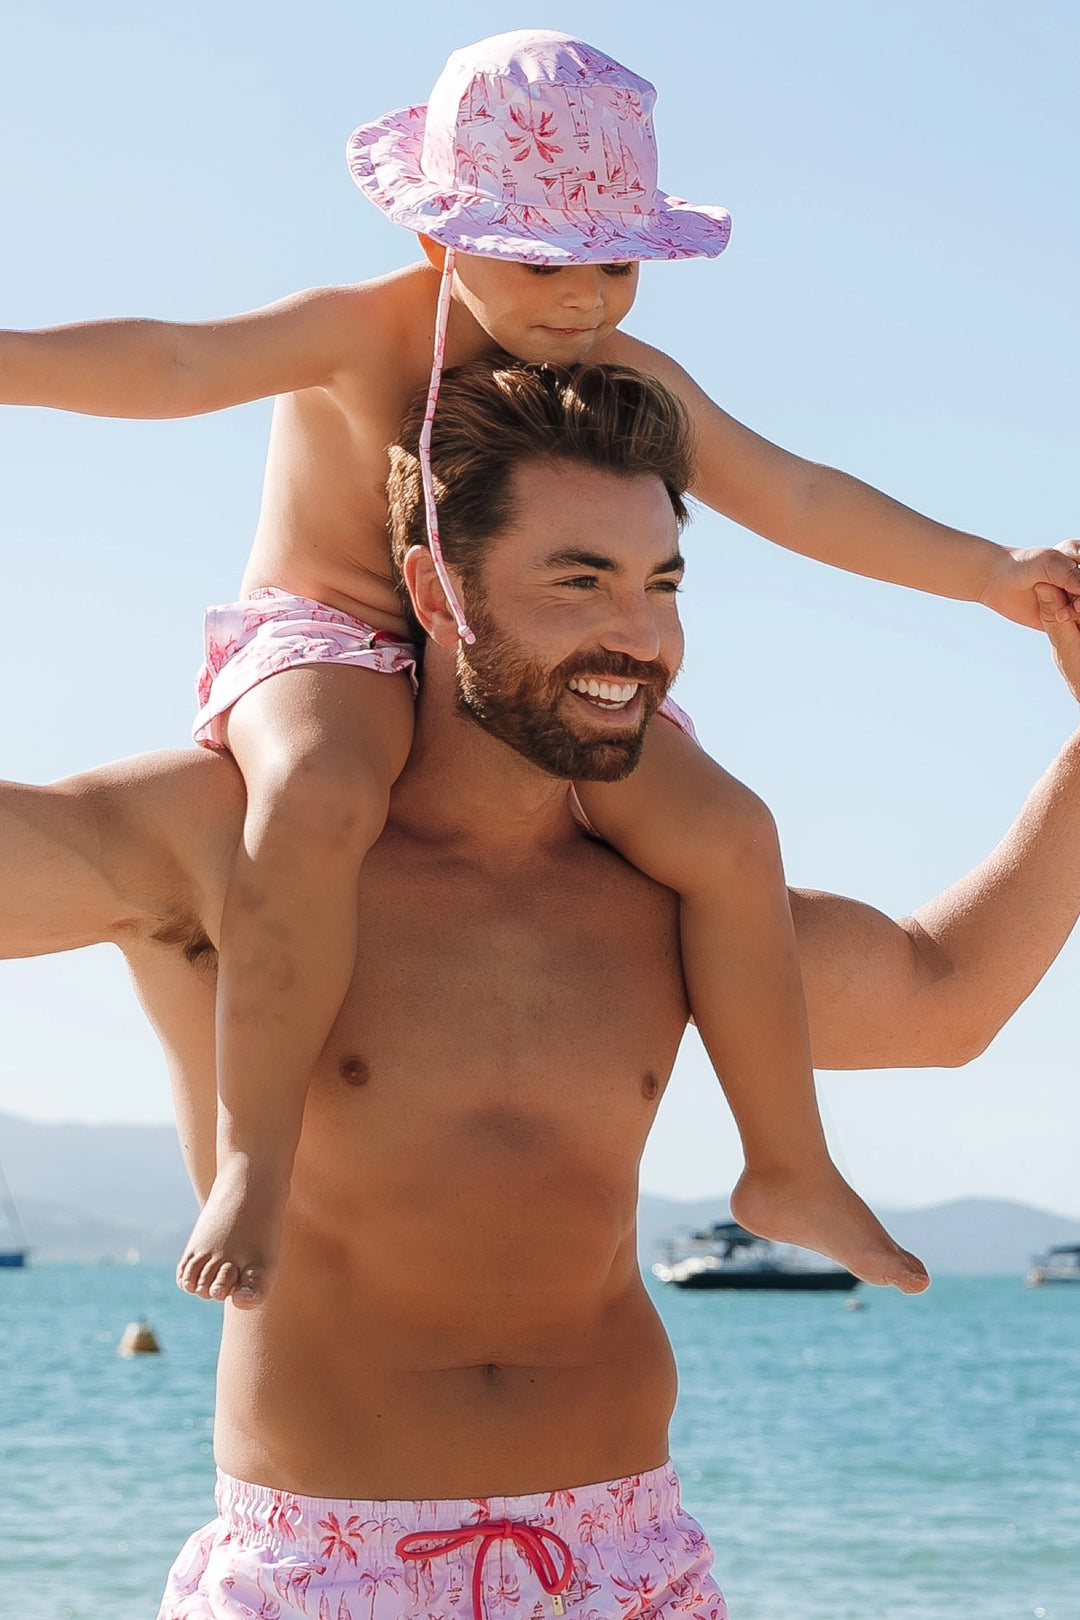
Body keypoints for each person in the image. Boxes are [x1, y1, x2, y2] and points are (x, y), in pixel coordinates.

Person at [3, 33, 1077, 1313]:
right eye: (540, 262)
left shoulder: (622, 378)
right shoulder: (361, 334)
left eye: (615, 264)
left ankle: (787, 1164)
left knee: (732, 832)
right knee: (317, 798)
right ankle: (255, 1157)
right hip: (337, 637)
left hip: (527, 689)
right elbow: (174, 361)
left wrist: (995, 573)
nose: (584, 301)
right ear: (437, 242)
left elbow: (795, 492)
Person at [3, 361, 1080, 1620]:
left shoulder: (667, 889)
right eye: (580, 582)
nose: (642, 635)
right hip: (324, 1570)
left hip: (627, 1561)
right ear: (437, 587)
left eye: (663, 583)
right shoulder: (235, 844)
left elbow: (941, 998)